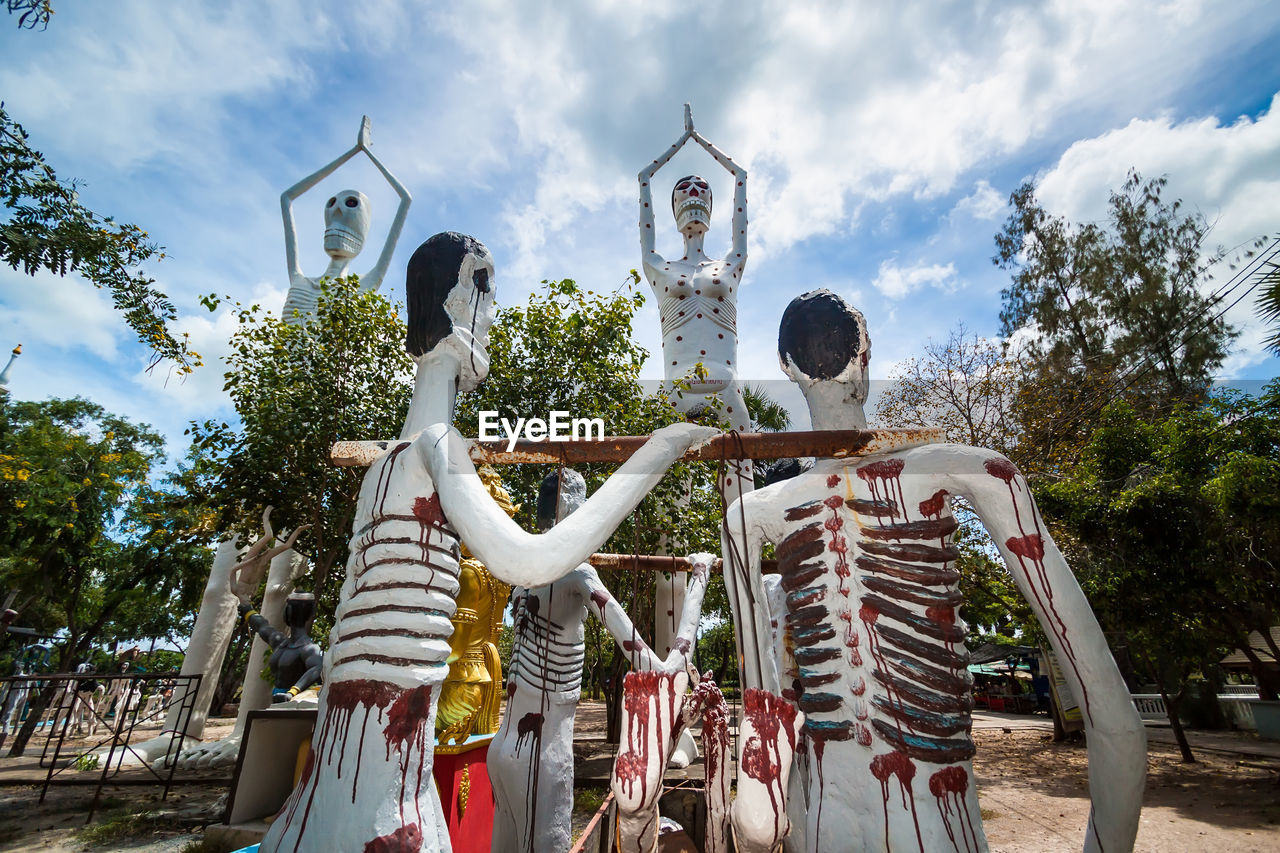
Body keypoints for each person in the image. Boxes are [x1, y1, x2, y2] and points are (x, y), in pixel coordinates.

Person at [722, 289, 1146, 853]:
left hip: (847, 822)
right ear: (866, 349)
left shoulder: (749, 516)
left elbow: (762, 725)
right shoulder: (979, 471)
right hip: (882, 823)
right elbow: (1114, 719)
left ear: (786, 368)